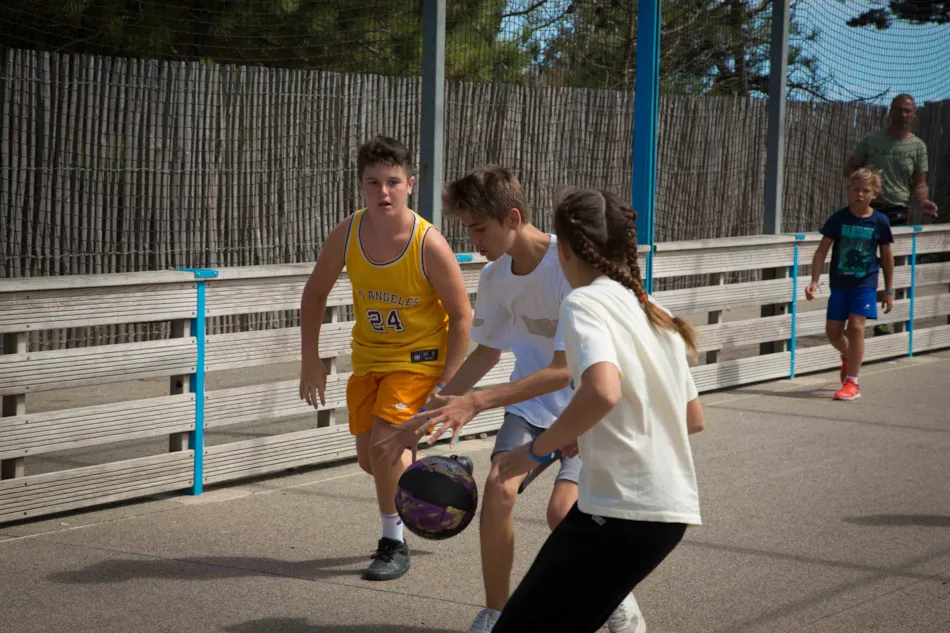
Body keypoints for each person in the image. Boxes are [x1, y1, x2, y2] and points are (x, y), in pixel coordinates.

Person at [376, 166, 647, 633]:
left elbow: (565, 369)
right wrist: (432, 410)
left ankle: (617, 601)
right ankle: (497, 613)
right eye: (467, 229)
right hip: (531, 408)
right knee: (499, 488)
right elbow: (486, 350)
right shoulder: (497, 276)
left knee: (563, 513)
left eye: (479, 228)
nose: (473, 239)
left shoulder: (569, 268)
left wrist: (476, 402)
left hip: (589, 409)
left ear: (513, 217)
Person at [487, 187, 705, 633]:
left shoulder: (584, 302)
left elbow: (602, 391)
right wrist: (584, 434)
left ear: (563, 250)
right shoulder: (652, 309)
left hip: (621, 512)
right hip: (668, 513)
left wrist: (536, 450)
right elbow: (691, 419)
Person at [297, 135, 473, 581]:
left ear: (410, 184)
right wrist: (309, 358)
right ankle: (443, 472)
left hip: (419, 360)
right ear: (360, 186)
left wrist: (448, 389)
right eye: (373, 182)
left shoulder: (427, 242)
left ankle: (393, 543)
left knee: (383, 448)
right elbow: (315, 293)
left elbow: (462, 315)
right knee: (371, 461)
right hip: (370, 360)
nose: (384, 192)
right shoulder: (348, 232)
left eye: (393, 182)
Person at [805, 167, 895, 401]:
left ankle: (852, 383)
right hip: (839, 285)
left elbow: (887, 257)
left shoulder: (880, 222)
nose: (860, 195)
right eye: (856, 190)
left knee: (856, 326)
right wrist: (814, 280)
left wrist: (889, 290)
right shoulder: (838, 219)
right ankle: (848, 356)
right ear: (848, 191)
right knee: (833, 333)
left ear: (875, 193)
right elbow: (821, 251)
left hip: (865, 284)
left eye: (866, 190)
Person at [844, 93, 938, 227]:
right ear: (890, 112)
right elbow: (849, 169)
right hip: (869, 205)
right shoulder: (872, 139)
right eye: (898, 110)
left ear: (914, 114)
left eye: (907, 111)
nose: (903, 115)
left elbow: (920, 183)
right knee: (865, 247)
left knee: (894, 247)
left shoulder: (918, 146)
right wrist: (866, 185)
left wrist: (922, 202)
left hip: (898, 208)